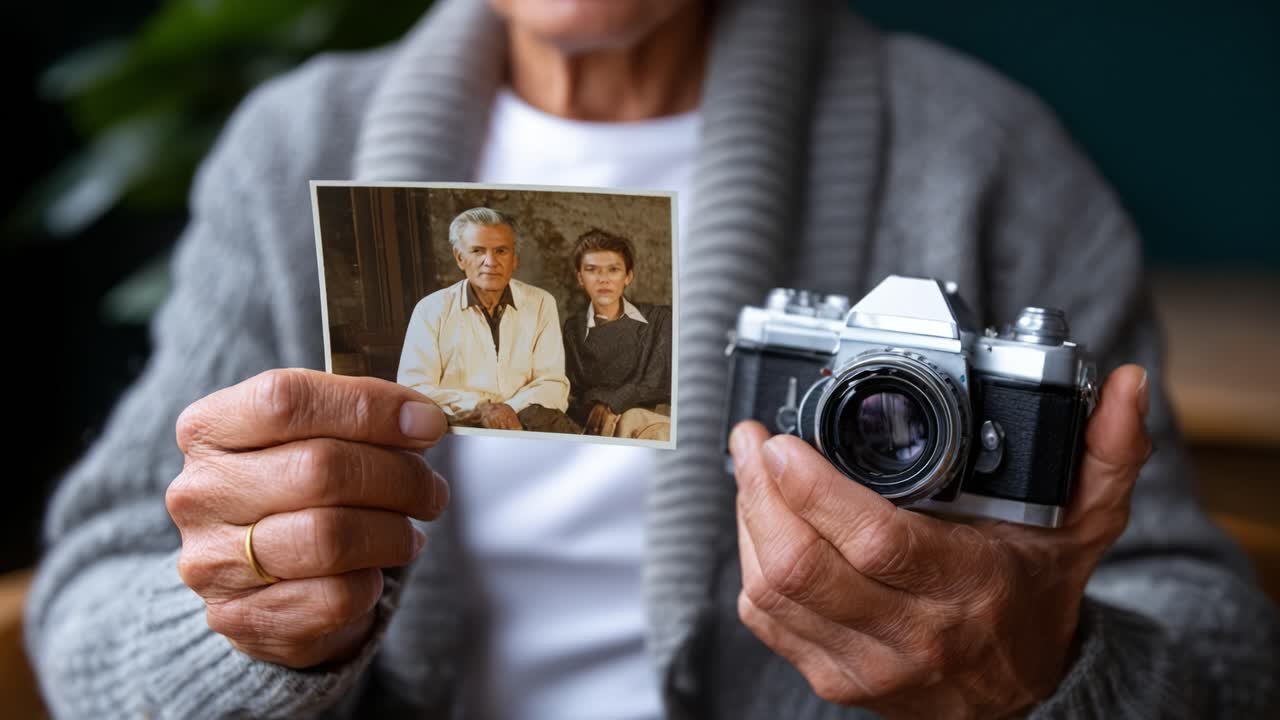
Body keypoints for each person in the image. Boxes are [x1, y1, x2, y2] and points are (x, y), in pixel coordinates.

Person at [24, 0, 1279, 718]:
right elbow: (85, 600)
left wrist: (1042, 674)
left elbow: (1220, 649)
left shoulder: (980, 159)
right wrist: (246, 630)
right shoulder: (291, 145)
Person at [397, 206, 579, 434]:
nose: (490, 262)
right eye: (478, 251)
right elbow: (414, 388)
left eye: (501, 251)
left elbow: (553, 382)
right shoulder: (431, 309)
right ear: (460, 257)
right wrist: (480, 408)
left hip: (528, 424)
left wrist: (508, 411)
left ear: (515, 259)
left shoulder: (541, 303)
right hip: (459, 432)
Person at [562, 228, 673, 440]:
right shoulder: (573, 328)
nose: (603, 279)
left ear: (628, 276)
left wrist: (610, 403)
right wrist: (598, 406)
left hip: (649, 423)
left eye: (613, 270)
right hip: (598, 426)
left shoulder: (659, 319)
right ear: (580, 278)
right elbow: (572, 391)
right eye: (592, 270)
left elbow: (654, 383)